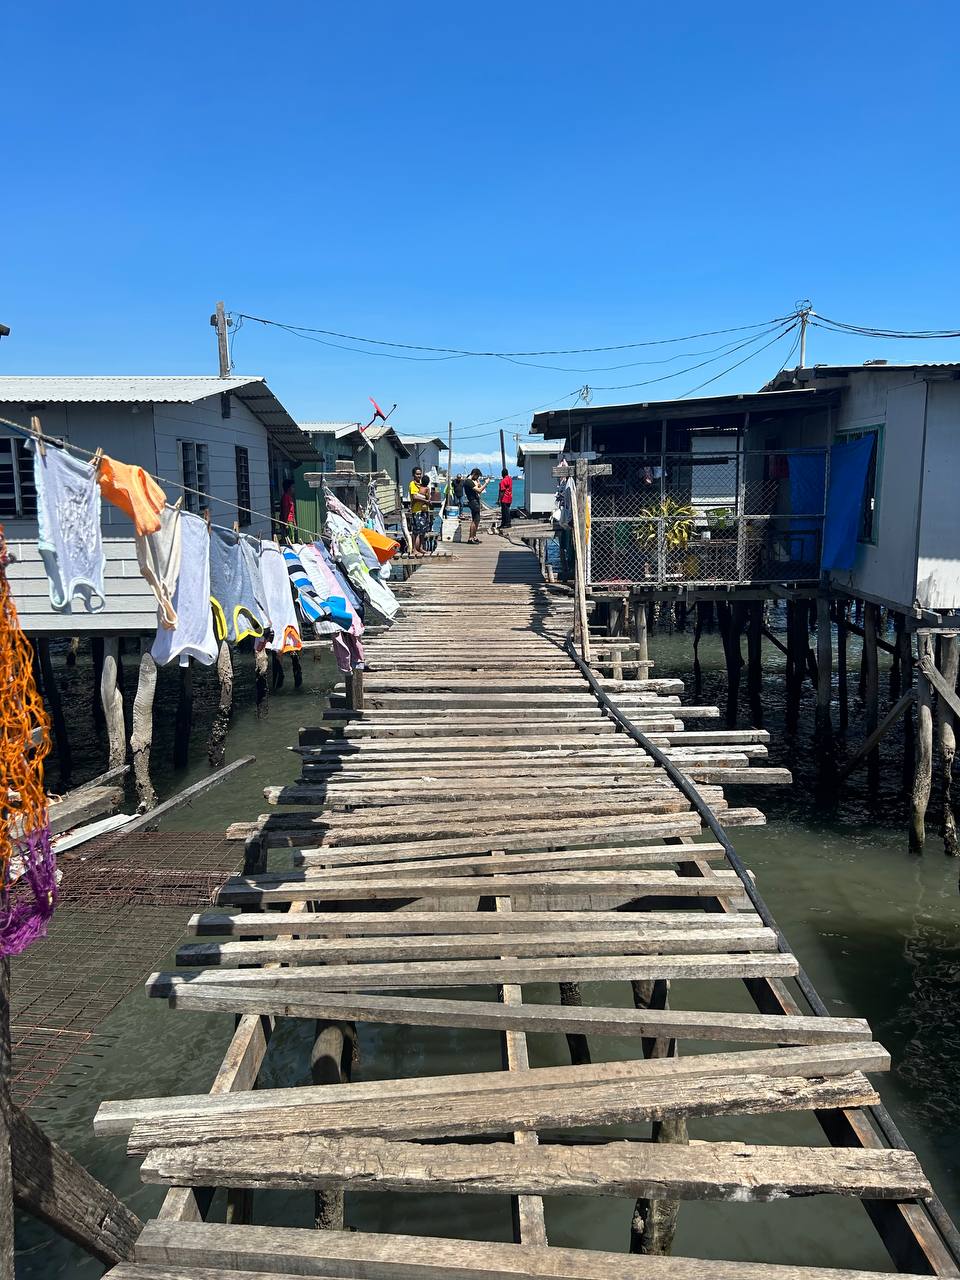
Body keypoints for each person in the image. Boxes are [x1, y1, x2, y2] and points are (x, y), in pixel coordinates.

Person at [408, 465, 431, 557]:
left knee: (423, 530)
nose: (419, 476)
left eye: (420, 474)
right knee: (416, 531)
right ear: (413, 475)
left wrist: (428, 497)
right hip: (416, 511)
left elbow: (427, 495)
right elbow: (414, 497)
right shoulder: (412, 484)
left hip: (424, 510)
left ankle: (420, 547)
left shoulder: (422, 485)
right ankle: (414, 549)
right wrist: (425, 500)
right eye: (417, 474)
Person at [463, 467, 488, 544]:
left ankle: (474, 536)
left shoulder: (472, 481)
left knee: (477, 520)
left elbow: (479, 489)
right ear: (474, 474)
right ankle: (470, 538)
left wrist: (479, 483)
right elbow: (479, 490)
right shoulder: (468, 481)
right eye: (477, 476)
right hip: (473, 502)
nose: (477, 478)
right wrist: (486, 483)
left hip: (475, 501)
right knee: (474, 520)